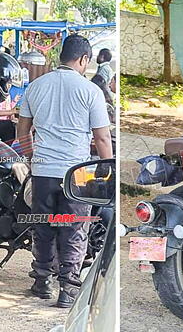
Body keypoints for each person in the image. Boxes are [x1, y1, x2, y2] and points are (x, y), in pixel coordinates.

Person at [16, 34, 112, 308]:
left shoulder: (36, 86)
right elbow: (103, 138)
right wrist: (107, 169)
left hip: (44, 170)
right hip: (77, 172)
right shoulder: (90, 91)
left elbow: (23, 130)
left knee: (43, 227)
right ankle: (68, 290)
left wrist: (32, 157)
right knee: (73, 230)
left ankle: (41, 282)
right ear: (83, 59)